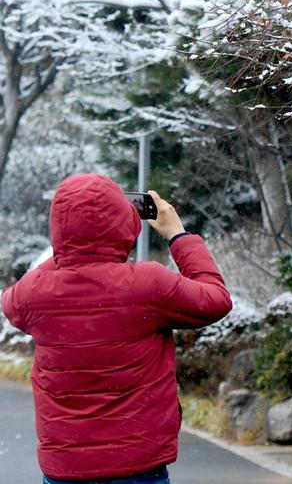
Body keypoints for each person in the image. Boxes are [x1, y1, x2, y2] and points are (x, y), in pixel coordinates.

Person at [0, 173, 233, 484]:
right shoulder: (148, 285)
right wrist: (178, 236)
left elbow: (11, 302)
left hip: (65, 469)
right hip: (137, 464)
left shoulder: (32, 294)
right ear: (125, 221)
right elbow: (216, 300)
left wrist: (70, 249)